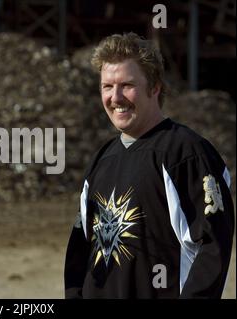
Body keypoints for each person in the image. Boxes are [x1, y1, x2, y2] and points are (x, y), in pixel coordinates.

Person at [64, 32, 234, 299]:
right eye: (107, 86)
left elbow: (212, 247)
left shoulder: (186, 153)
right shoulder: (102, 160)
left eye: (126, 85)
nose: (115, 97)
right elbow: (79, 251)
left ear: (154, 87)